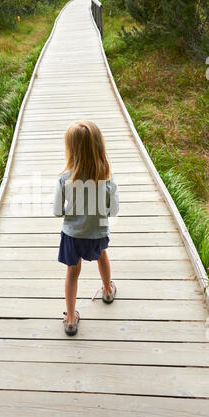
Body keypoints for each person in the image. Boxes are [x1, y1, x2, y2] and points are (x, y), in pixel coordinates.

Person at [53, 120, 119, 336]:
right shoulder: (107, 178)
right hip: (97, 231)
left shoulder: (64, 179)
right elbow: (113, 210)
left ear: (70, 149)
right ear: (99, 146)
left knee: (72, 272)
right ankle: (108, 291)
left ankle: (71, 319)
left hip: (73, 235)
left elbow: (57, 211)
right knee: (102, 255)